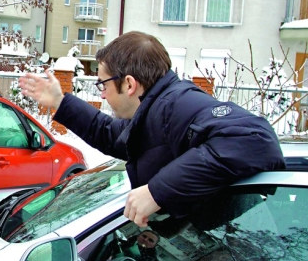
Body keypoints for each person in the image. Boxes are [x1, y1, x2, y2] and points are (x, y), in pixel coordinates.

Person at [19, 31, 285, 228]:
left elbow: (256, 139)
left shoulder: (178, 103)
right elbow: (112, 134)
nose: (103, 95)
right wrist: (59, 101)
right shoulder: (154, 110)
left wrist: (158, 191)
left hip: (239, 243)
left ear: (129, 84)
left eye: (103, 85)